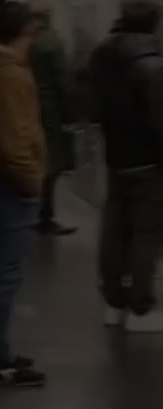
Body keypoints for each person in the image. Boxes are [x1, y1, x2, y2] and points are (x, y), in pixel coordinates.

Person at [0, 1, 47, 387]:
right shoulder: (10, 76)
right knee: (6, 271)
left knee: (2, 269)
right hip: (10, 184)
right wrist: (33, 182)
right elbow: (14, 139)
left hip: (0, 180)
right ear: (27, 30)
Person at [89, 0, 163, 331]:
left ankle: (114, 303)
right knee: (147, 233)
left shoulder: (103, 57)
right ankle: (140, 308)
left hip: (115, 156)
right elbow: (158, 122)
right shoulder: (152, 66)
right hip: (148, 161)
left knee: (114, 230)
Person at [29, 0, 78, 235]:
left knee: (35, 162)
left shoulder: (26, 42)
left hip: (29, 109)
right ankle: (44, 215)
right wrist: (71, 114)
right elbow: (63, 82)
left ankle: (33, 213)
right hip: (51, 112)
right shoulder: (52, 43)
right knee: (51, 165)